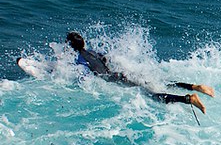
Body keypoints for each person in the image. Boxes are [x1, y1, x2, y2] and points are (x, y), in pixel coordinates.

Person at [66, 32, 213, 114]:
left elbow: (84, 76)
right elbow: (106, 58)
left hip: (116, 79)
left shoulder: (80, 58)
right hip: (121, 72)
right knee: (158, 83)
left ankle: (188, 99)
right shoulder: (91, 51)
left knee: (152, 95)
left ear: (71, 46)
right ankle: (194, 86)